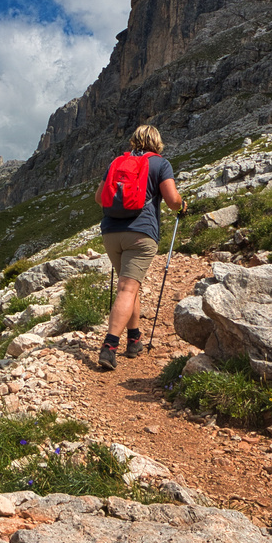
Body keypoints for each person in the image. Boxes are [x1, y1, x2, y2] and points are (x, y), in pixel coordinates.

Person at [98, 124, 186, 370]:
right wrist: (182, 206)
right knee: (128, 288)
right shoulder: (160, 164)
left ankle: (134, 339)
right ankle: (109, 347)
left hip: (111, 233)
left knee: (129, 286)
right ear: (157, 142)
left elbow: (99, 198)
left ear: (134, 140)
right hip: (141, 234)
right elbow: (171, 200)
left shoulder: (117, 162)